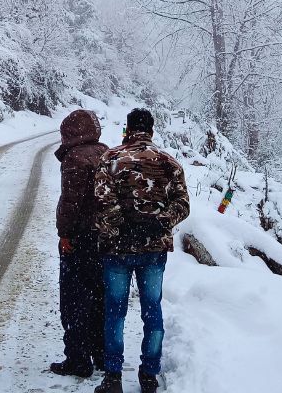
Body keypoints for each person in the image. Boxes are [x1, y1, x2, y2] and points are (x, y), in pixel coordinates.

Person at [93, 108, 190, 393]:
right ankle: (149, 374)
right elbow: (183, 205)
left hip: (117, 250)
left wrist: (121, 228)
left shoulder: (111, 159)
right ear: (151, 130)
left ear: (127, 129)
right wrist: (158, 223)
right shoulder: (169, 162)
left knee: (115, 312)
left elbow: (102, 201)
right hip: (154, 251)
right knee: (152, 310)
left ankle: (112, 377)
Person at [51, 109, 108, 378]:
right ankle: (101, 352)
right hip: (104, 237)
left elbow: (70, 203)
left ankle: (77, 358)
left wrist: (65, 233)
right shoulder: (106, 153)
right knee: (99, 297)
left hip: (80, 237)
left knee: (74, 300)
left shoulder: (75, 159)